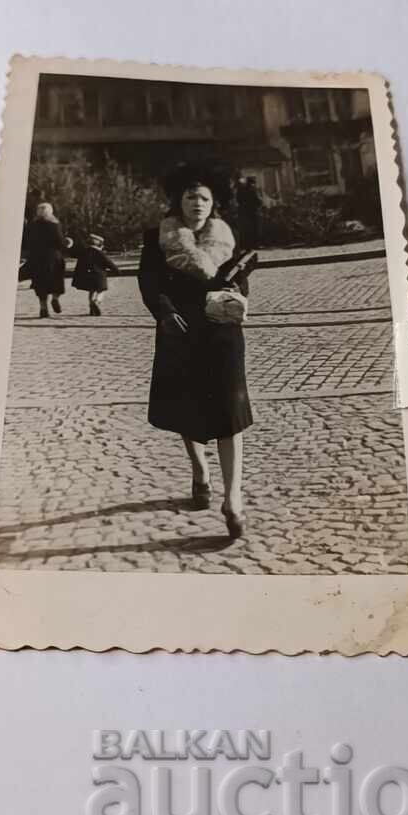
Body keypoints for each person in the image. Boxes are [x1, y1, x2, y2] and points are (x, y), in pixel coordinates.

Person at [137, 164, 253, 538]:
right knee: (188, 407)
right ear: (179, 201)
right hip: (181, 331)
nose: (197, 203)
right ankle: (200, 470)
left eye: (204, 197)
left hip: (222, 333)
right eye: (190, 197)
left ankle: (233, 498)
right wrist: (166, 312)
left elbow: (242, 285)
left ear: (213, 202)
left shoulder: (227, 239)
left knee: (230, 412)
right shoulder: (160, 237)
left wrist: (235, 299)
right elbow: (150, 281)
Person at [22, 202, 72, 318]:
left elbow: (26, 241)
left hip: (37, 258)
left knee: (40, 284)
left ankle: (43, 307)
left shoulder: (32, 225)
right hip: (53, 258)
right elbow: (60, 241)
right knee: (56, 281)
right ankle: (55, 298)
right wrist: (67, 243)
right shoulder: (54, 224)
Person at [72, 233, 120, 315]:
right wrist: (117, 271)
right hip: (99, 275)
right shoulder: (100, 253)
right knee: (101, 291)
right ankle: (96, 302)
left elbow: (79, 265)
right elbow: (109, 263)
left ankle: (91, 307)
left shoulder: (84, 252)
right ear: (99, 244)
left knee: (91, 291)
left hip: (87, 275)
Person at [236, 175, 263, 249]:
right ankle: (256, 244)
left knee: (248, 228)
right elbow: (259, 201)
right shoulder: (254, 189)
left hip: (245, 212)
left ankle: (248, 244)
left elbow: (238, 200)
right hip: (254, 211)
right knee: (256, 228)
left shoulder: (242, 190)